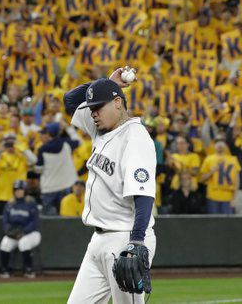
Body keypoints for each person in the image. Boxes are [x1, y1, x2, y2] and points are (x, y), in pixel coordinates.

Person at [64, 69, 157, 303]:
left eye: (98, 107)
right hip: (97, 241)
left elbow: (143, 195)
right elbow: (70, 100)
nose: (93, 113)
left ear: (118, 103)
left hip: (124, 237)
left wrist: (136, 242)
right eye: (92, 108)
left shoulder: (135, 137)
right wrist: (106, 82)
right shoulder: (101, 128)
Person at [0, 133, 37, 215]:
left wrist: (22, 148)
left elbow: (33, 160)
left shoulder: (22, 157)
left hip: (17, 197)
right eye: (7, 143)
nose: (10, 145)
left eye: (12, 142)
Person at [35, 122, 79, 215]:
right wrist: (69, 128)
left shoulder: (42, 149)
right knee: (65, 216)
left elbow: (38, 169)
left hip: (49, 188)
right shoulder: (66, 143)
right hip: (66, 186)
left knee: (48, 222)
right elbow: (79, 141)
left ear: (48, 134)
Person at [0, 180, 40, 278]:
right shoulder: (9, 204)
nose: (18, 192)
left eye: (21, 189)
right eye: (16, 190)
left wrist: (24, 232)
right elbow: (5, 221)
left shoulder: (31, 203)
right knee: (5, 244)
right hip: (14, 233)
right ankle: (5, 270)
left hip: (31, 233)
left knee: (23, 243)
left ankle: (28, 269)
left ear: (25, 191)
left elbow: (35, 222)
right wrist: (10, 232)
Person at [198, 137, 240, 215]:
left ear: (225, 145)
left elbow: (237, 180)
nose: (220, 145)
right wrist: (211, 172)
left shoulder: (233, 159)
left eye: (222, 142)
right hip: (212, 196)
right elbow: (201, 179)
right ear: (214, 145)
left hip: (228, 197)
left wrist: (235, 197)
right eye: (217, 142)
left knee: (227, 224)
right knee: (214, 223)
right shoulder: (208, 159)